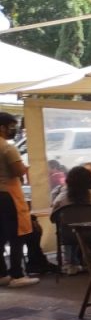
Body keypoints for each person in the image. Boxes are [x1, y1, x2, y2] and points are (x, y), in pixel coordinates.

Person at [52, 165, 91, 276]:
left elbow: (53, 218)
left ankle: (71, 264)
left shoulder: (62, 197)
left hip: (69, 236)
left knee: (69, 228)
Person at [0, 112, 38, 287]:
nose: (13, 129)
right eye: (12, 126)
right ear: (2, 127)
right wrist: (24, 168)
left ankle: (1, 274)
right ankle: (17, 274)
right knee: (16, 234)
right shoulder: (7, 147)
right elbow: (17, 170)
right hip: (8, 195)